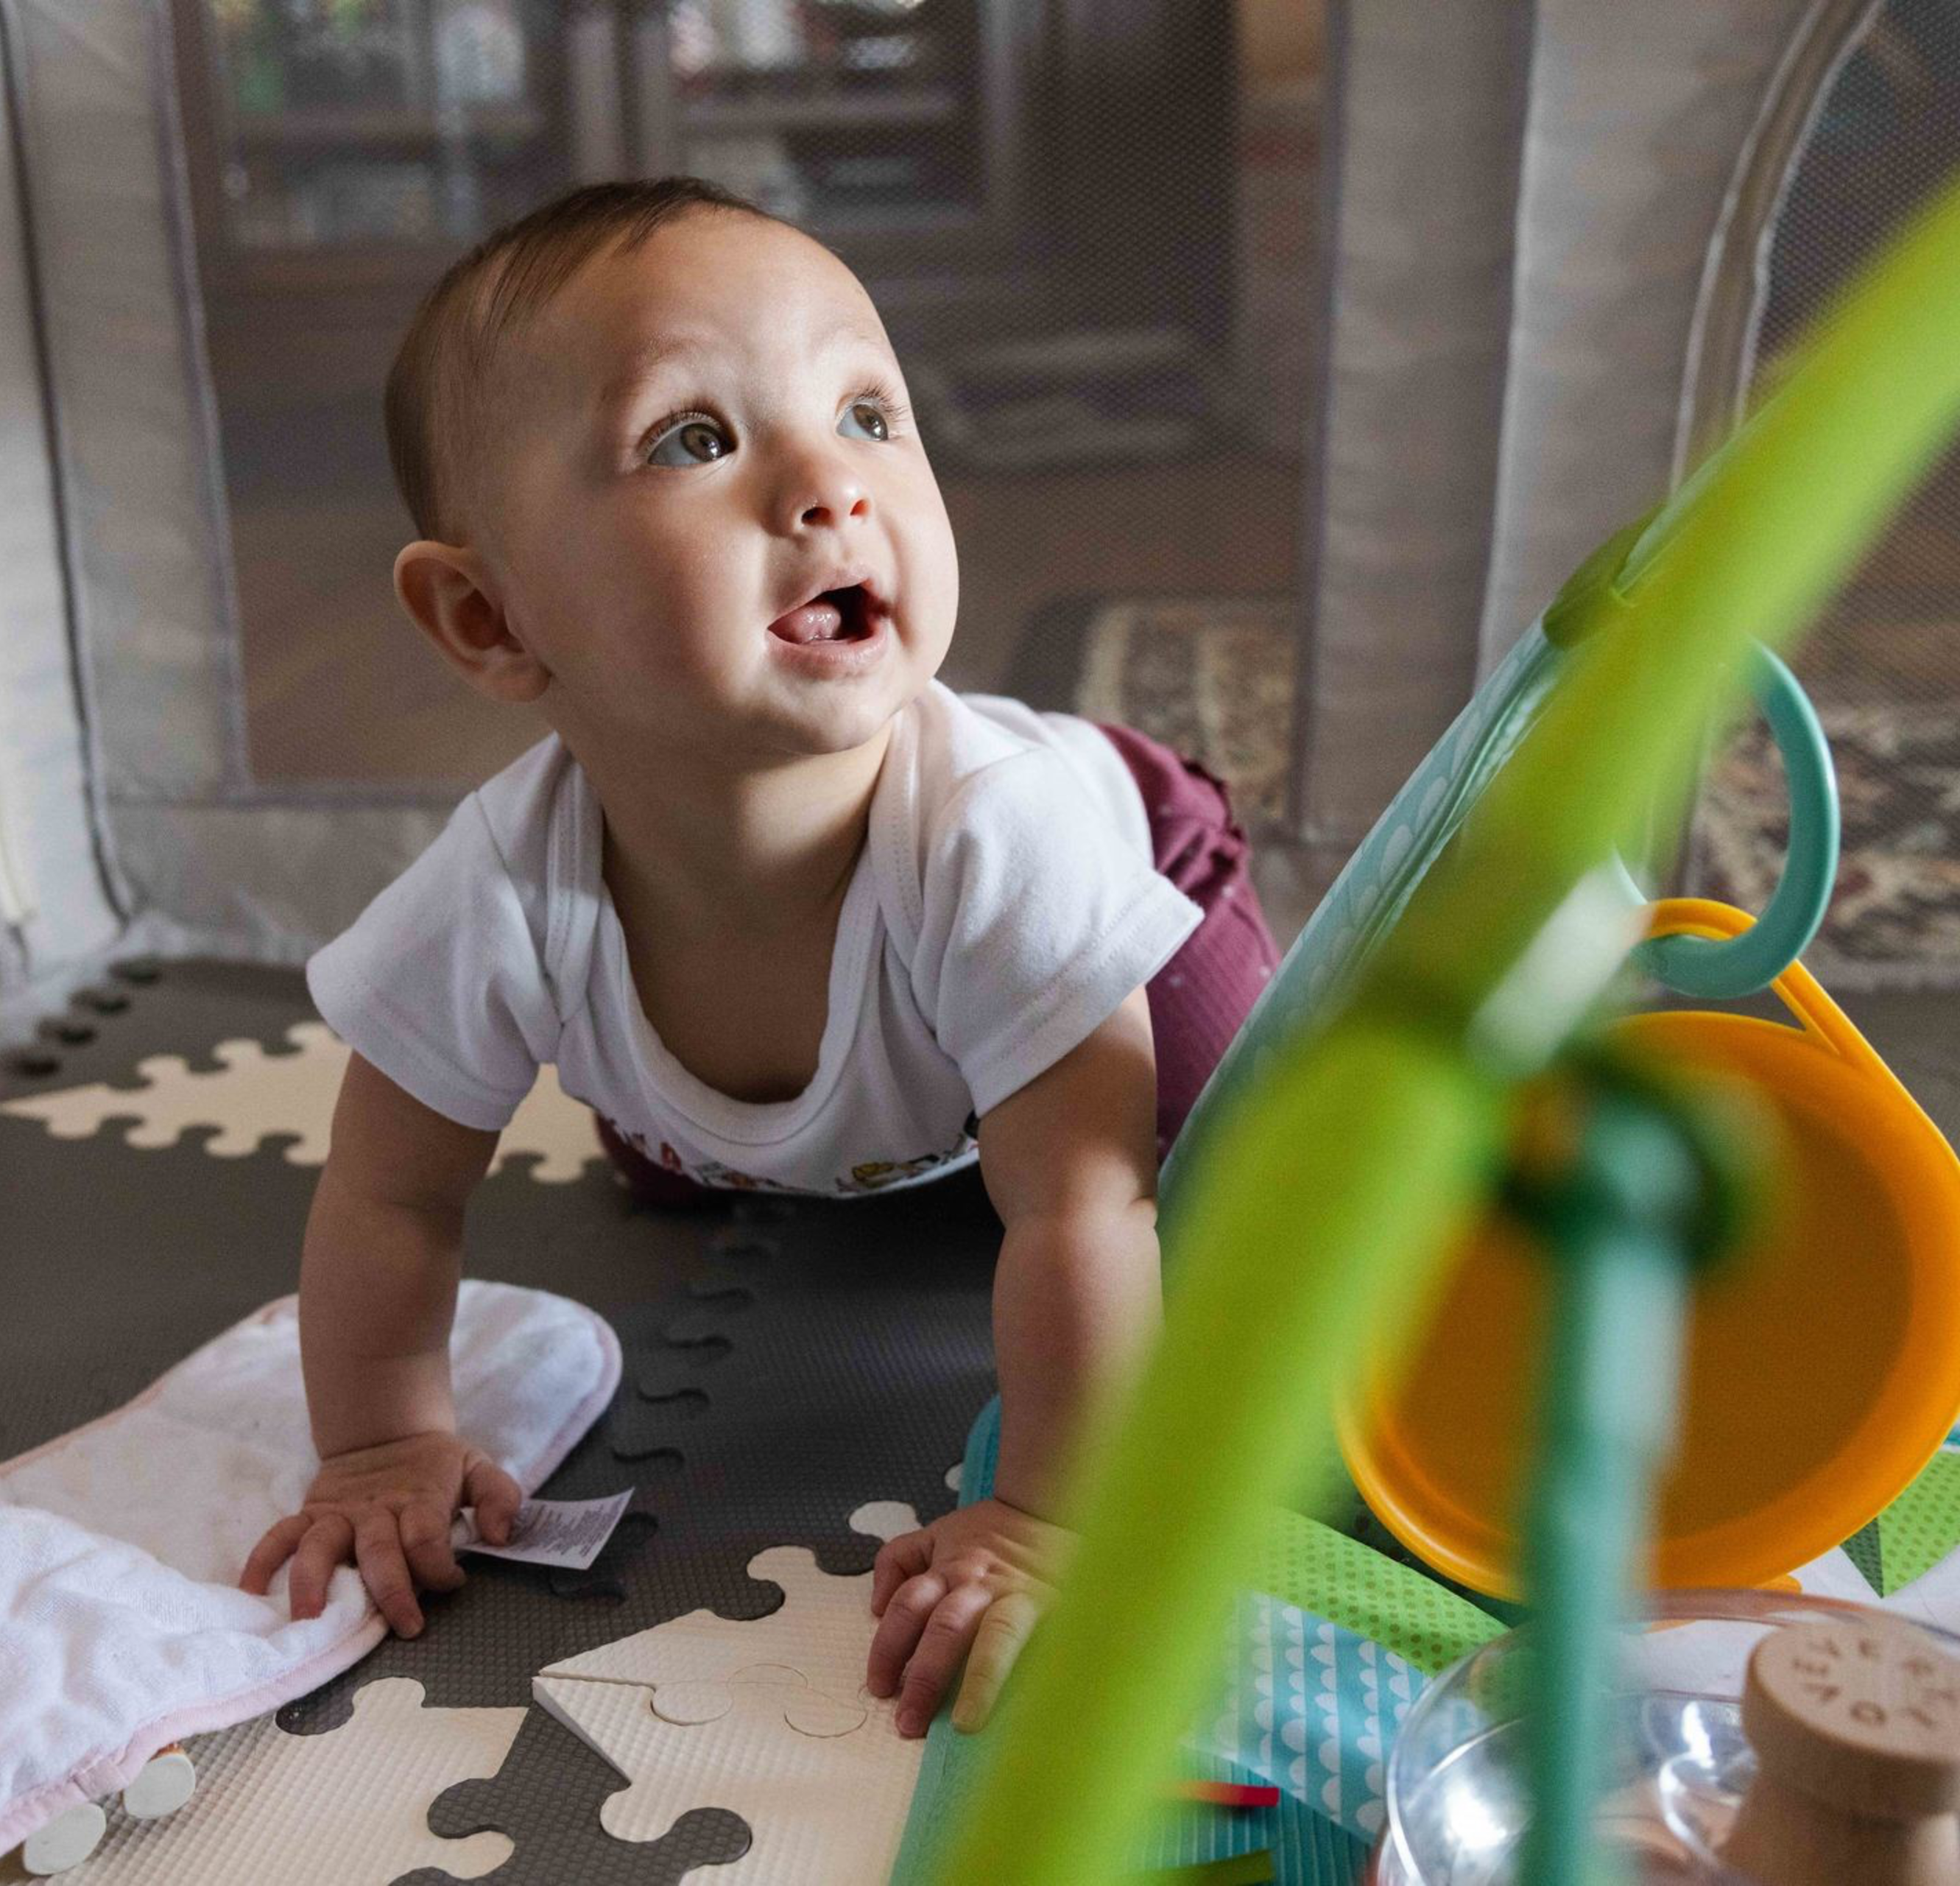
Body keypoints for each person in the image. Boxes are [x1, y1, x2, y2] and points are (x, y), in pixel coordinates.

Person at [239, 176, 1279, 1739]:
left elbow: (1080, 1205)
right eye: (695, 439)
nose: (828, 484)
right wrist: (382, 1445)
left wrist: (1051, 1517)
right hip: (864, 1081)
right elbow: (390, 1190)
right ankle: (837, 1138)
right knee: (675, 1154)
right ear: (485, 614)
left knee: (1216, 1155)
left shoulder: (1006, 845)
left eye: (870, 412)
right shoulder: (504, 886)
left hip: (1135, 868)